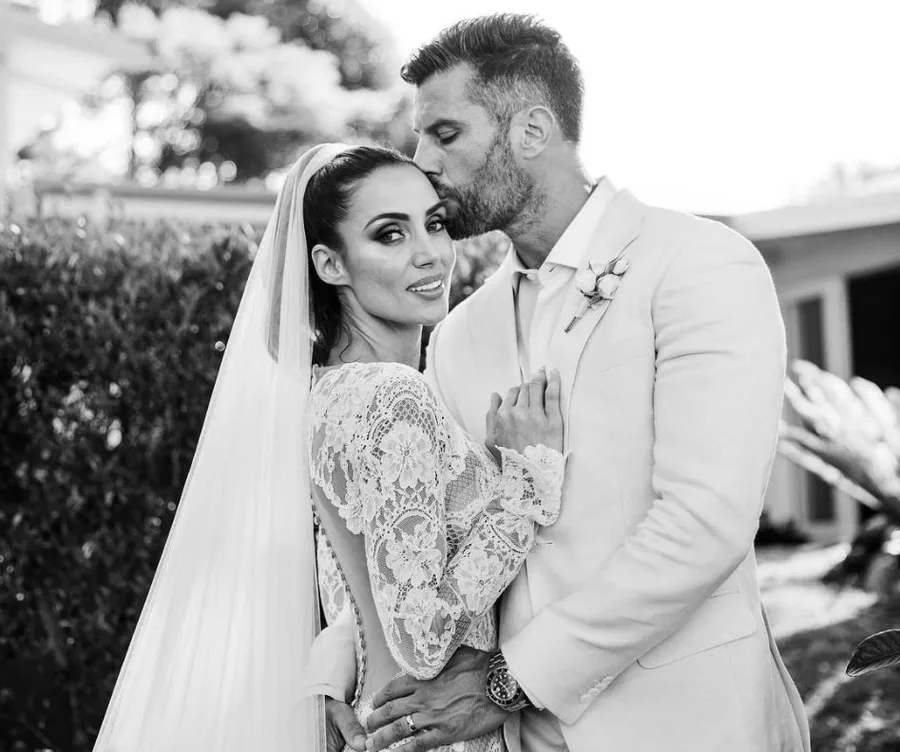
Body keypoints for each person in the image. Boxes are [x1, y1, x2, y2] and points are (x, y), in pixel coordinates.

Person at [311, 14, 812, 752]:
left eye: (445, 134)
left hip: (689, 723)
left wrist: (504, 682)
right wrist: (336, 675)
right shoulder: (460, 332)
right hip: (519, 740)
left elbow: (705, 526)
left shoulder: (698, 265)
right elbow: (420, 536)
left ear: (533, 130)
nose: (423, 161)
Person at [90, 143, 566, 752]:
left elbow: (359, 585)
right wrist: (526, 483)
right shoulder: (394, 398)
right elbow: (422, 639)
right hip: (432, 733)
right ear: (330, 263)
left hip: (377, 720)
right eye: (389, 235)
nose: (430, 253)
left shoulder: (325, 397)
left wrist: (326, 678)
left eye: (435, 223)